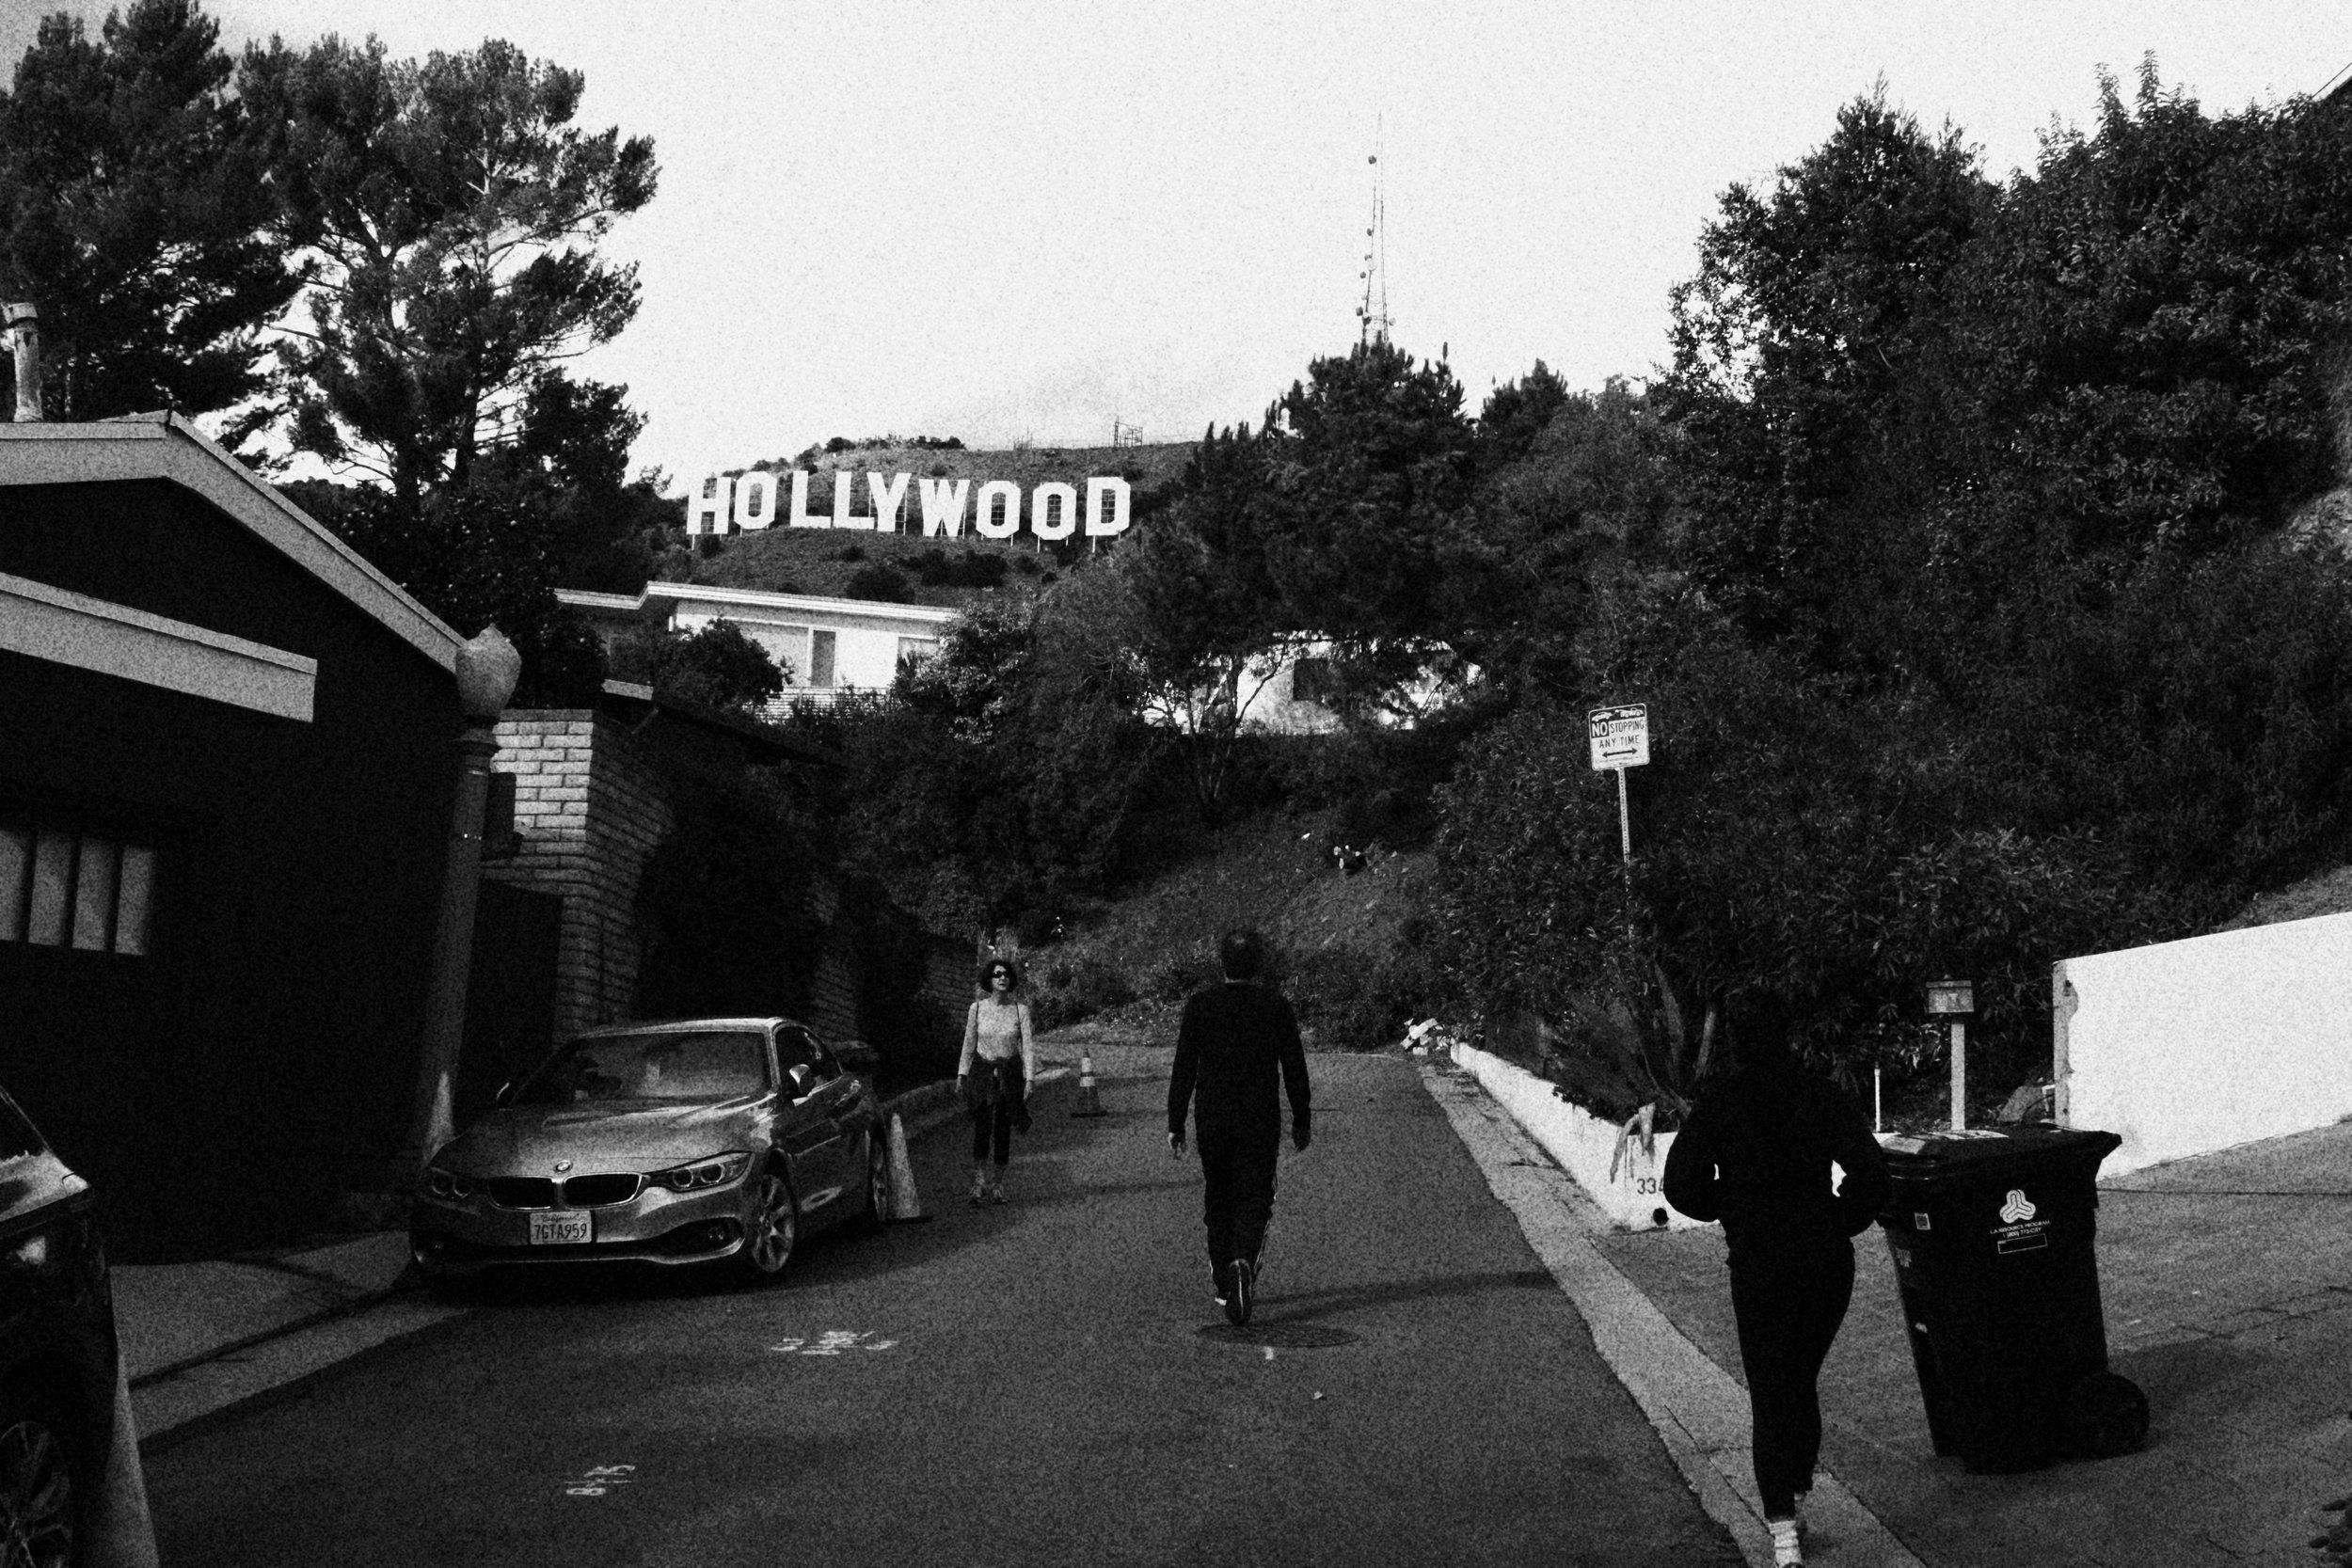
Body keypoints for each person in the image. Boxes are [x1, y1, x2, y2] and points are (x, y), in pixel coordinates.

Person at [1661, 1026, 1890, 1568]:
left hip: (1760, 1262)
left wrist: (1732, 1207)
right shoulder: (1819, 1092)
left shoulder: (1722, 1101)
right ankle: (1798, 1497)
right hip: (1824, 1260)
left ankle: (1783, 1535)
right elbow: (1874, 1176)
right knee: (1799, 1380)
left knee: (1771, 1390)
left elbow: (1679, 1184)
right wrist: (1837, 1218)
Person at [1168, 927, 1311, 1326]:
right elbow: (1294, 1067)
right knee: (1255, 1196)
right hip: (1259, 1117)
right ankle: (1243, 1260)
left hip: (1212, 1116)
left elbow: (1184, 1066)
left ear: (1222, 963)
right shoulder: (1275, 1005)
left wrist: (1175, 1121)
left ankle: (1222, 1278)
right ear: (1259, 964)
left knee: (1218, 1196)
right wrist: (1302, 1118)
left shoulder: (1201, 1005)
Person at [958, 956, 1038, 1205]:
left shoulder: (1019, 1010)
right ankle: (978, 1182)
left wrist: (1030, 1078)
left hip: (1009, 1073)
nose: (1002, 978)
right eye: (997, 974)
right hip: (982, 1072)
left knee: (1003, 1127)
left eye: (1006, 975)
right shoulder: (977, 1008)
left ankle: (997, 1184)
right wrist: (961, 1074)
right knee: (982, 1126)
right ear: (989, 980)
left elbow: (1028, 1047)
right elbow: (969, 1044)